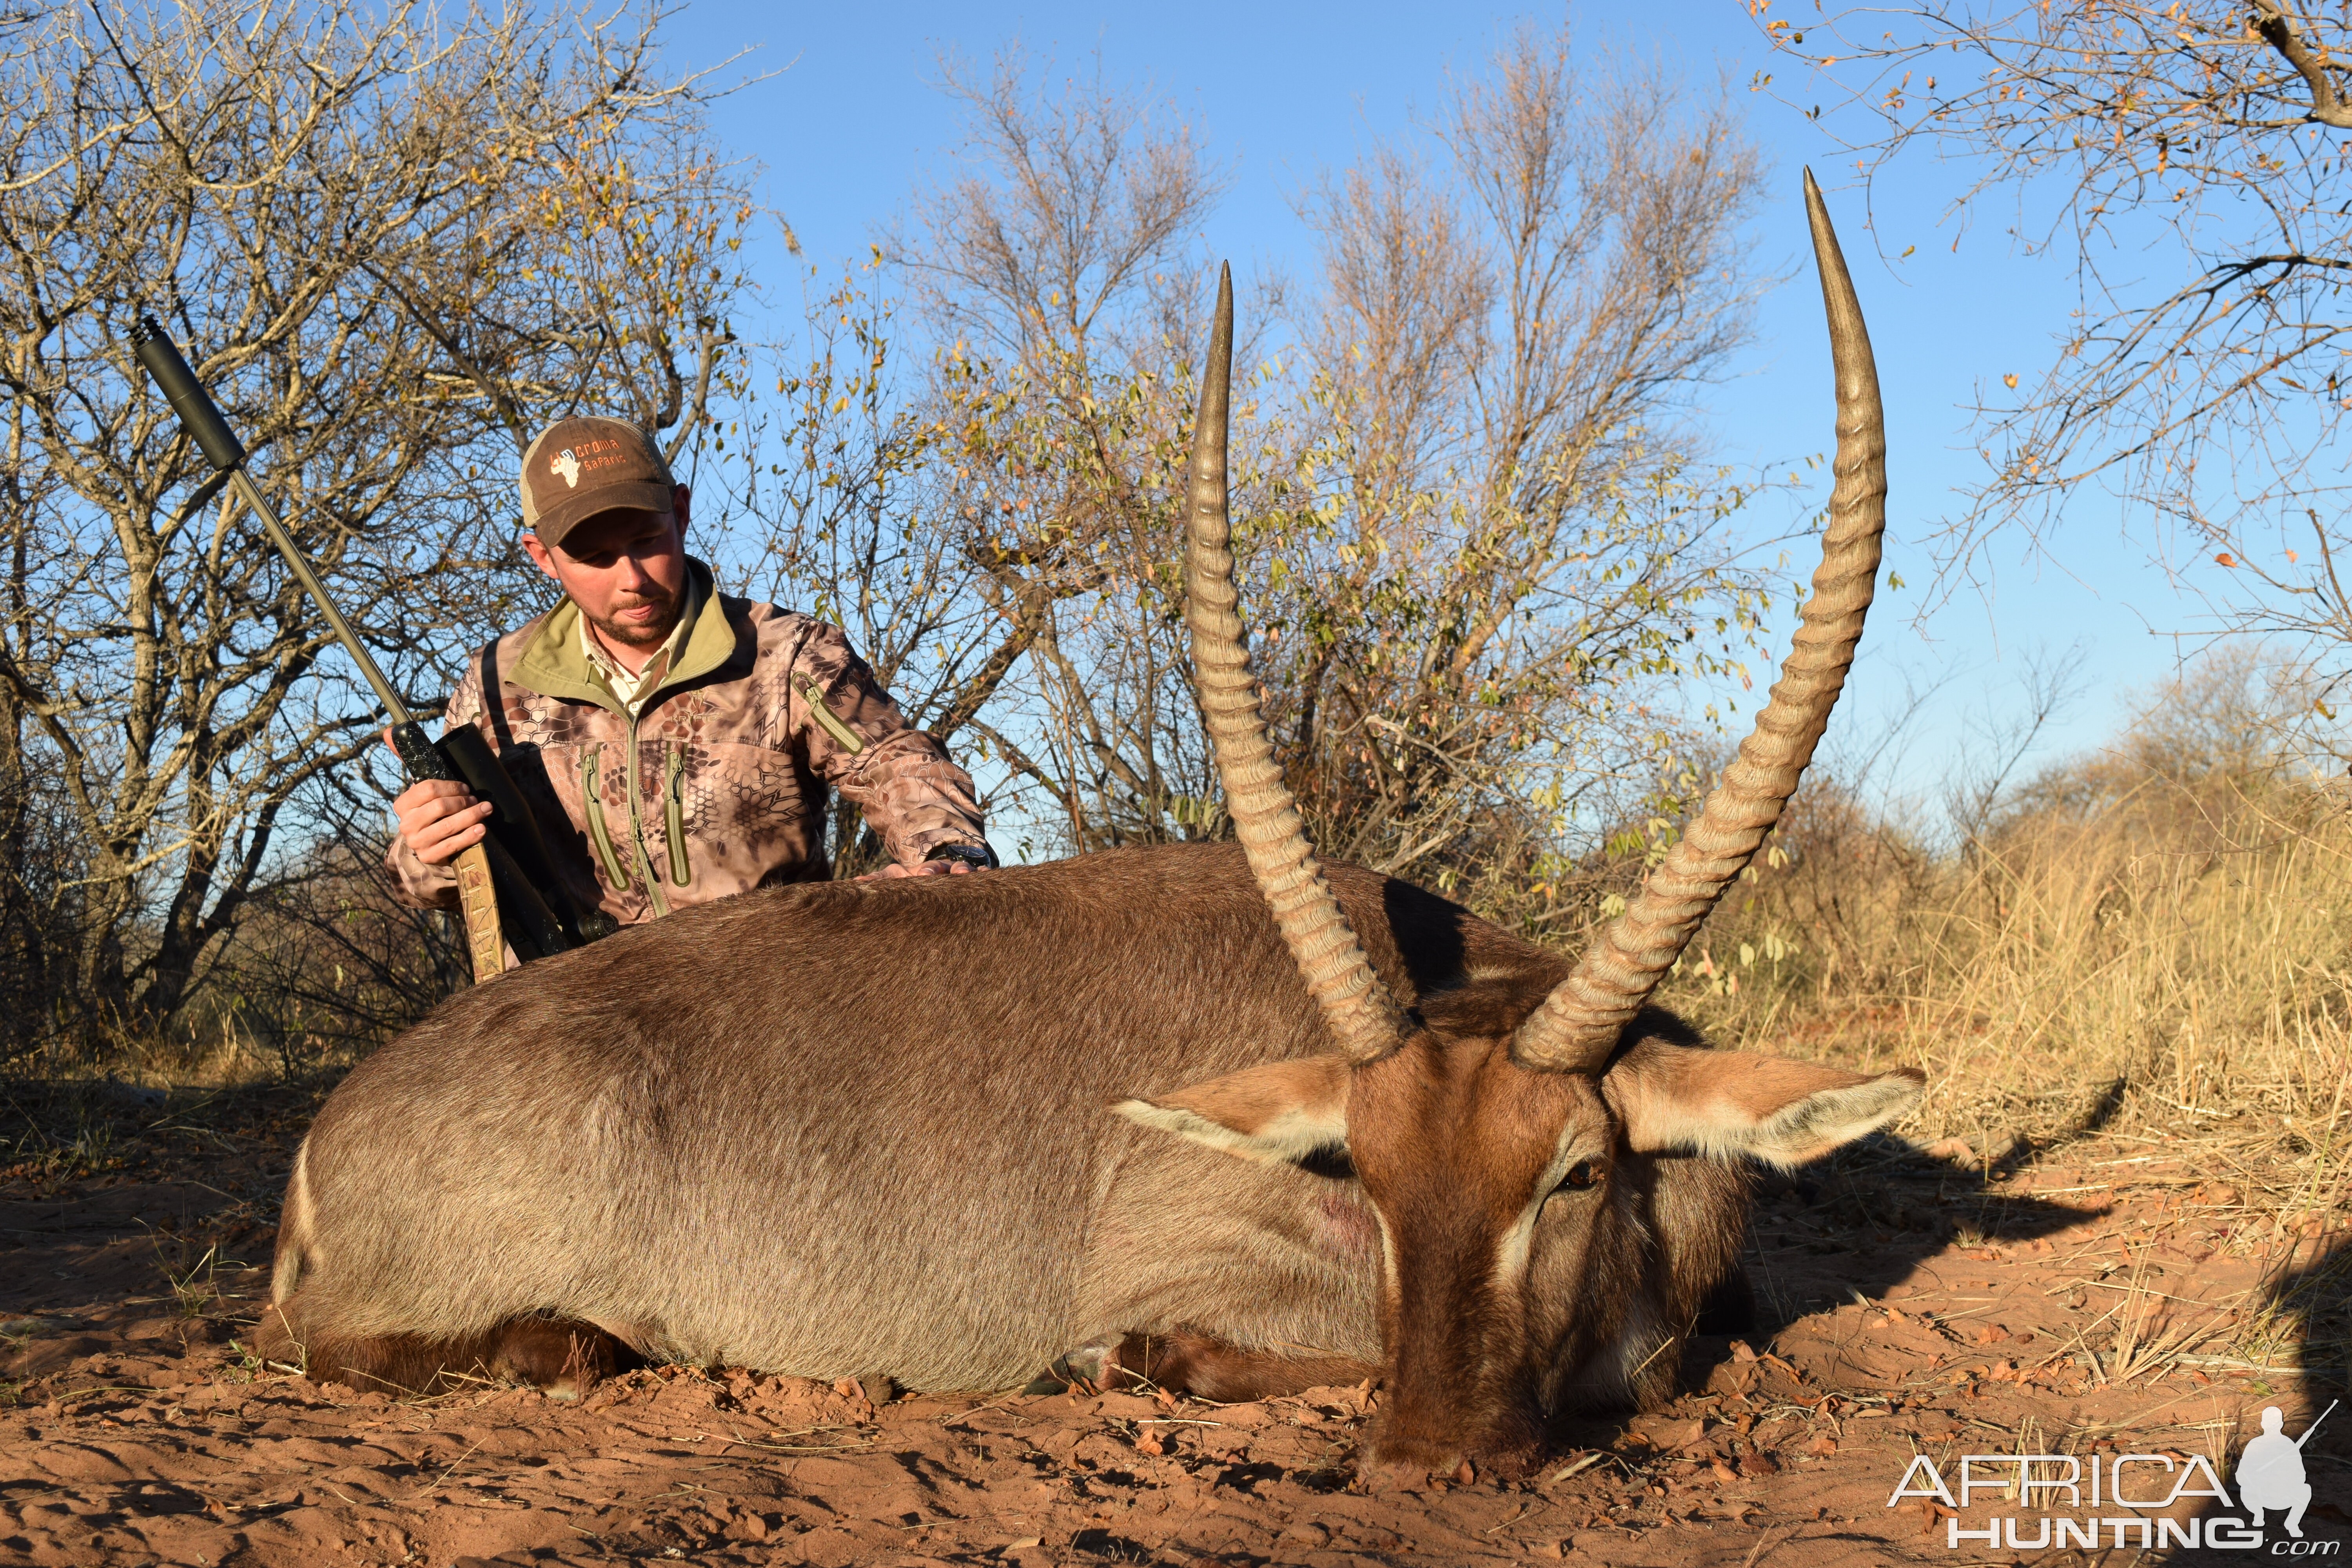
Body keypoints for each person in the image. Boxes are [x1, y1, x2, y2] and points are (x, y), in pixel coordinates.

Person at [387, 416, 993, 933]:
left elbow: (896, 760)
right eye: (594, 558)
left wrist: (947, 854)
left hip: (768, 1006)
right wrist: (431, 850)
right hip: (577, 1023)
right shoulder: (494, 686)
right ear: (542, 557)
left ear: (679, 512)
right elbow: (419, 881)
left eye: (647, 541)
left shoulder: (785, 653)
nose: (631, 578)